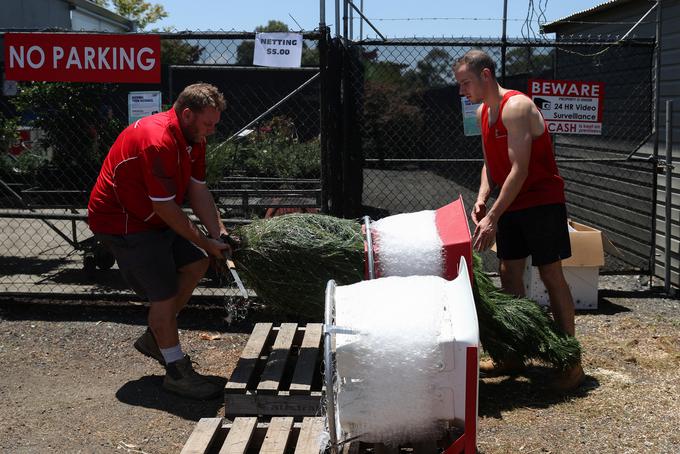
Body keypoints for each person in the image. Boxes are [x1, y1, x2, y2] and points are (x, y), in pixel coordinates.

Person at [88, 83, 231, 400]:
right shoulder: (159, 140)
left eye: (215, 124)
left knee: (197, 261)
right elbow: (165, 206)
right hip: (123, 221)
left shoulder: (194, 137)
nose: (211, 131)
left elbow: (197, 188)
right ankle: (177, 372)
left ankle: (156, 336)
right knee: (164, 294)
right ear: (188, 114)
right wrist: (206, 240)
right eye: (208, 124)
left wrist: (217, 233)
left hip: (151, 215)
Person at [453, 50, 585, 391]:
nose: (462, 90)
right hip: (510, 203)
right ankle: (513, 355)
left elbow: (520, 169)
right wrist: (483, 197)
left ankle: (571, 363)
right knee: (509, 272)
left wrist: (493, 215)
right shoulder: (483, 111)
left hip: (541, 202)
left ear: (485, 75)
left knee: (550, 273)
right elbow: (490, 164)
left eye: (465, 82)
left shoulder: (517, 107)